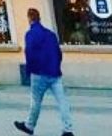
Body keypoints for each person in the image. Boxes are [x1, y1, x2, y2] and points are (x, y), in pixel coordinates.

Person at [13, 8, 74, 136]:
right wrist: (56, 65)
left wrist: (29, 70)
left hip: (39, 73)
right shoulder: (51, 34)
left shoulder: (30, 34)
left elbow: (29, 53)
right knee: (62, 101)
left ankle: (29, 126)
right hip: (54, 73)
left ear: (29, 18)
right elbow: (58, 53)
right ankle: (67, 129)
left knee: (36, 101)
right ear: (39, 18)